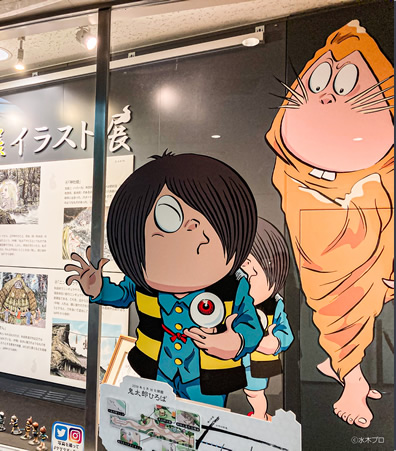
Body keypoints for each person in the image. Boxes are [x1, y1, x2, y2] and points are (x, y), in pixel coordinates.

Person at [266, 20, 393, 428]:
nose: (325, 96)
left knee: (357, 302)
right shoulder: (291, 170)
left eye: (345, 83)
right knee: (333, 306)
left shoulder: (386, 174)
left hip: (363, 244)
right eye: (319, 81)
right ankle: (348, 371)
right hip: (318, 242)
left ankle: (350, 375)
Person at [65, 152, 262, 407]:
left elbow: (250, 324)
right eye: (170, 219)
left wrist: (237, 342)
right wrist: (99, 289)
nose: (193, 233)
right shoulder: (143, 284)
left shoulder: (233, 287)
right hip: (157, 371)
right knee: (155, 419)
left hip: (206, 380)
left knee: (204, 422)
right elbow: (123, 295)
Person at [239, 218, 294, 421]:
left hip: (256, 362)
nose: (248, 275)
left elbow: (285, 332)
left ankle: (259, 416)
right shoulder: (229, 300)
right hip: (228, 361)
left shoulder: (274, 304)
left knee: (254, 393)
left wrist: (276, 341)